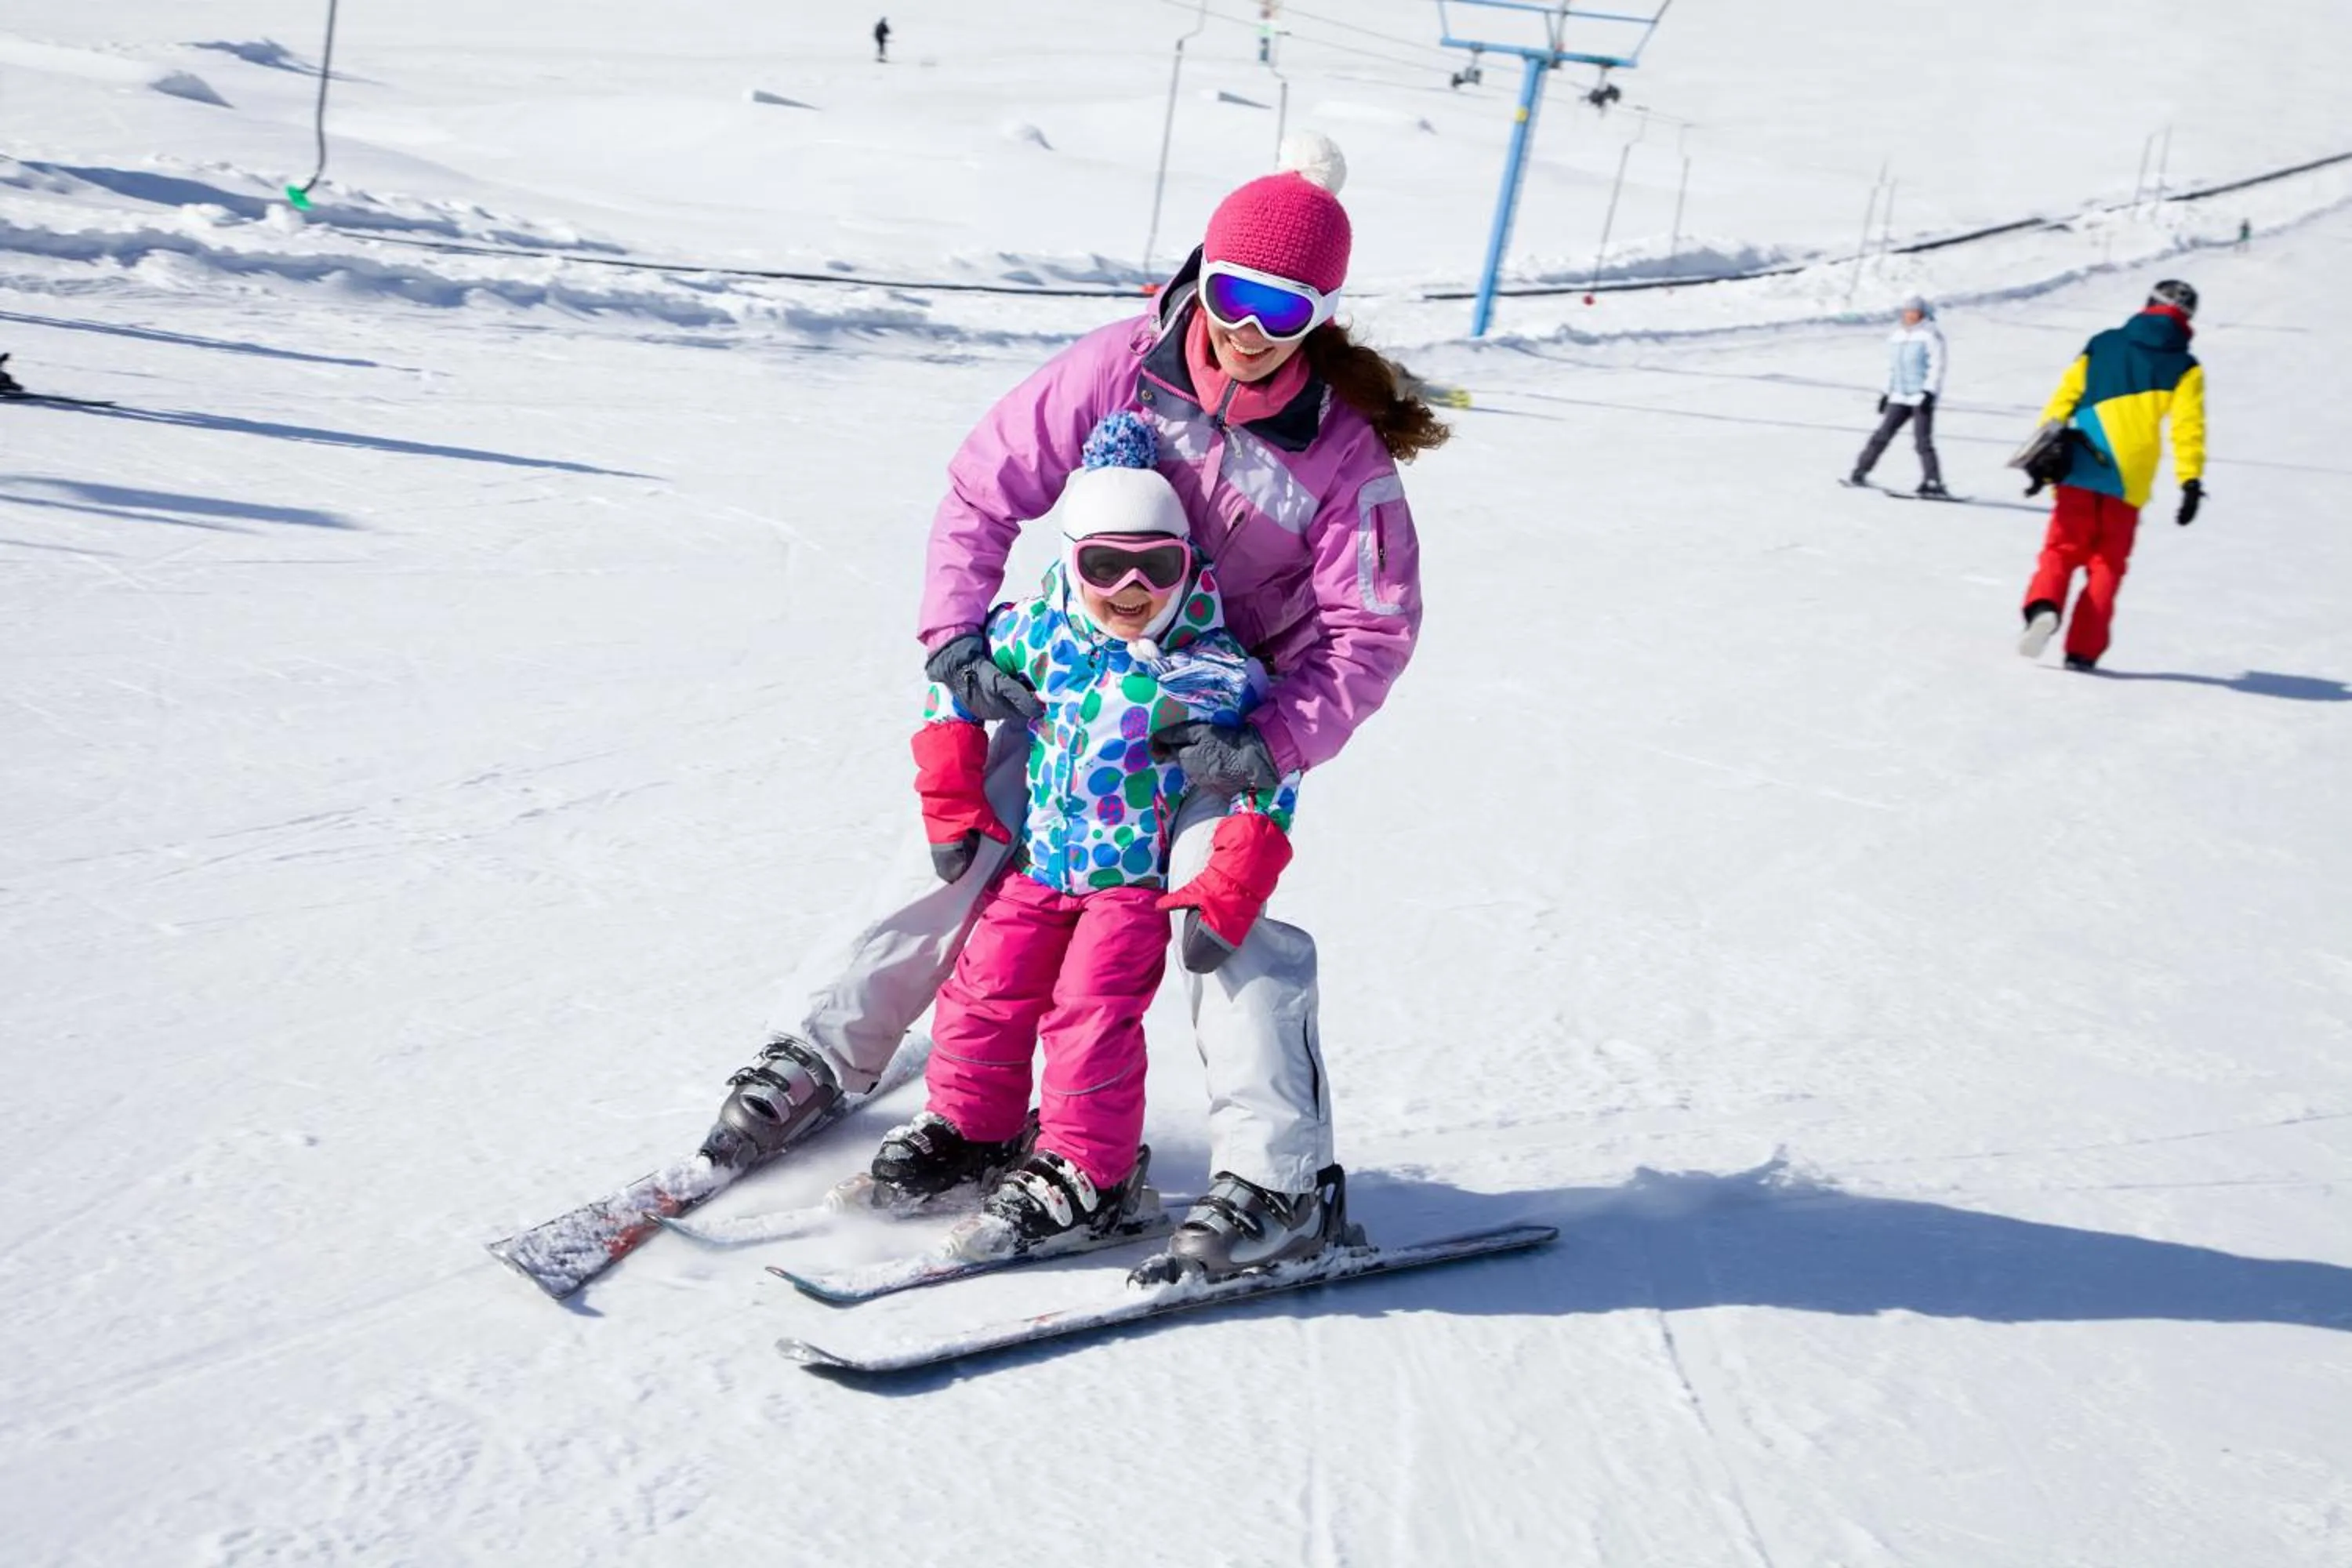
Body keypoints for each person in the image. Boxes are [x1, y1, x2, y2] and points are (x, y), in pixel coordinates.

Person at [700, 132, 1448, 1281]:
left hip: (1223, 723)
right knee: (961, 848)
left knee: (1223, 922)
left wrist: (1270, 740)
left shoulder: (1343, 459)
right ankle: (825, 1055)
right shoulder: (1118, 367)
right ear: (1203, 272)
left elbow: (1370, 630)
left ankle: (1277, 1180)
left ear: (1324, 318)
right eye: (1237, 294)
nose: (1251, 329)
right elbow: (982, 487)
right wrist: (957, 634)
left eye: (1287, 310)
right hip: (1083, 682)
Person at [860, 412, 1302, 1258]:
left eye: (1156, 565)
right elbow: (951, 681)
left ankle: (1090, 1170)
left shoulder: (1207, 665)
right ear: (1071, 560)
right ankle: (973, 1128)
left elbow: (1270, 767)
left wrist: (1237, 866)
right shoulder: (1037, 635)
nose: (1130, 587)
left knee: (1090, 1013)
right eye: (1105, 564)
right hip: (1037, 869)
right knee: (983, 988)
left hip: (1131, 885)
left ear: (1187, 566)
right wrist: (952, 783)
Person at [2016, 279, 2206, 671]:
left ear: (2147, 304)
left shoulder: (2102, 343)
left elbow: (2062, 400)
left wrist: (2041, 450)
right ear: (2187, 320)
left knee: (2062, 548)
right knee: (2107, 563)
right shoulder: (2186, 367)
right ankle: (2083, 650)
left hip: (2083, 459)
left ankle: (2044, 607)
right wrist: (2190, 480)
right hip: (2130, 475)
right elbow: (2188, 429)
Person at [1846, 295, 1948, 496]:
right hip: (1899, 396)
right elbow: (1892, 369)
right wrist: (1886, 393)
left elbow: (1938, 366)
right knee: (1881, 436)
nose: (1911, 316)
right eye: (1908, 312)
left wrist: (1930, 392)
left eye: (1915, 312)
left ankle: (1933, 482)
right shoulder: (1897, 336)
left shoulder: (1931, 335)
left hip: (1921, 397)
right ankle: (1860, 471)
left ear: (1923, 314)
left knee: (1922, 442)